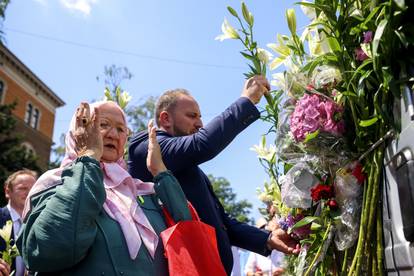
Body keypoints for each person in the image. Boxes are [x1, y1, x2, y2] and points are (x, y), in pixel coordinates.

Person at [128, 75, 300, 274]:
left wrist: (267, 239)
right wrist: (246, 100)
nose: (200, 123)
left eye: (200, 116)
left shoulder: (188, 167)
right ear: (165, 119)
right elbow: (203, 144)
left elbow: (223, 223)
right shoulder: (148, 146)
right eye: (192, 116)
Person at [17, 101, 192, 275]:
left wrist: (160, 171)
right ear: (78, 131)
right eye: (103, 124)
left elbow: (188, 236)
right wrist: (88, 157)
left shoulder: (140, 190)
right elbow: (48, 250)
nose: (113, 134)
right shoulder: (54, 182)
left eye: (121, 129)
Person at [0, 169, 37, 276]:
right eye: (22, 188)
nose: (29, 193)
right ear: (7, 192)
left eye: (33, 189)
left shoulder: (40, 224)